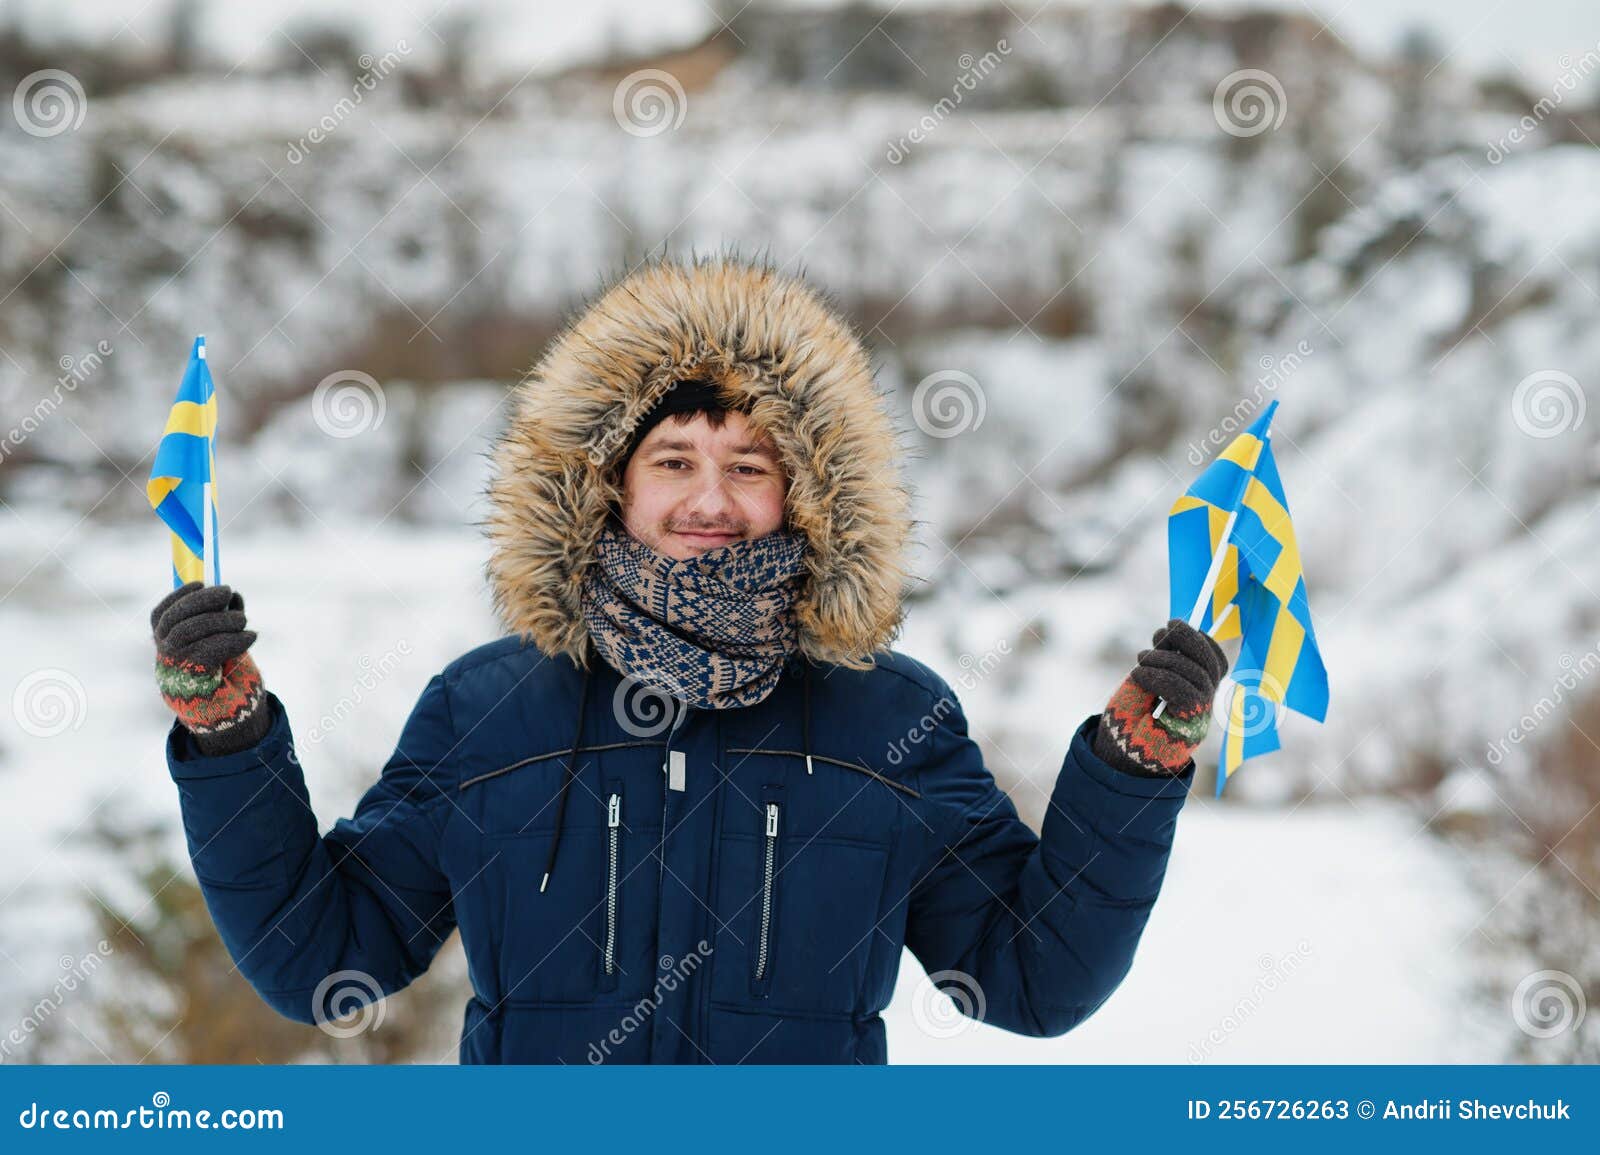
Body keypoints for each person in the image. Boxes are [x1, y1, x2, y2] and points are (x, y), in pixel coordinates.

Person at [150, 254, 1229, 1064]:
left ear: (803, 493)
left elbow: (1030, 977)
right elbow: (324, 960)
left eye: (747, 465)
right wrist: (231, 741)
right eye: (671, 458)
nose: (709, 500)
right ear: (606, 483)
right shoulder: (488, 709)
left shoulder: (887, 720)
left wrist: (1129, 776)